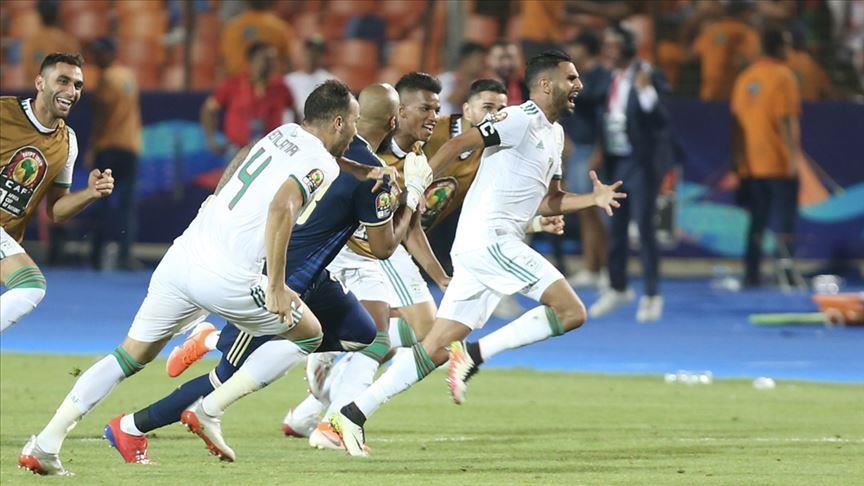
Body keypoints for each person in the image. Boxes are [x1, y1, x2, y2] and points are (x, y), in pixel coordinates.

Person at [18, 80, 392, 475]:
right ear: (338, 122)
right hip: (230, 277)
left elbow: (247, 154)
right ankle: (211, 405)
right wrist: (276, 286)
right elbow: (283, 206)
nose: (355, 131)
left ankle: (46, 443)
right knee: (310, 334)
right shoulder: (322, 162)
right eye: (353, 123)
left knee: (128, 356)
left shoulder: (284, 134)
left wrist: (218, 198)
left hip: (184, 256)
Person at [100, 83, 430, 464]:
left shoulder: (317, 146)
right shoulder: (373, 175)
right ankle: (132, 426)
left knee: (363, 334)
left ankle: (213, 342)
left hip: (313, 276)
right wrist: (412, 192)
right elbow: (384, 248)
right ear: (392, 122)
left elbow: (250, 158)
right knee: (226, 376)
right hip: (278, 278)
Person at [330, 51, 627, 456]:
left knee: (434, 348)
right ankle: (474, 353)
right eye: (571, 78)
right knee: (571, 311)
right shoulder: (518, 118)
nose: (579, 85)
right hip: (491, 240)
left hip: (486, 245)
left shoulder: (554, 134)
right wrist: (419, 181)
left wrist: (592, 198)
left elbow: (550, 200)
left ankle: (350, 415)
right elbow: (459, 142)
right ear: (545, 85)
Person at [278, 79, 565, 450]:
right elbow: (393, 209)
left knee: (409, 337)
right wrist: (412, 189)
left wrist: (533, 223)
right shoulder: (420, 138)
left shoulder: (482, 147)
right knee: (403, 335)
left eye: (501, 108)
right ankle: (333, 402)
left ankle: (313, 408)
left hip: (391, 238)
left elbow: (463, 208)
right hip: (370, 244)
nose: (496, 115)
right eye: (488, 108)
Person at [1, 52, 114, 334]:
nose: (71, 91)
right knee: (29, 286)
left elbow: (56, 210)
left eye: (77, 85)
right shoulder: (4, 113)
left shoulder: (67, 143)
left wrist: (90, 193)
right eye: (62, 81)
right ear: (40, 83)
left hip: (7, 236)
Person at [589, 26, 670, 322]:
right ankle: (617, 287)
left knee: (644, 229)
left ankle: (652, 295)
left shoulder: (648, 74)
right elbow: (605, 115)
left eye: (613, 45)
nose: (608, 51)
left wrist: (646, 90)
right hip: (616, 162)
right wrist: (600, 150)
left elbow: (660, 118)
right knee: (616, 228)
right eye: (606, 45)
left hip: (642, 162)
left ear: (628, 47)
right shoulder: (609, 77)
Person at [731, 28, 803, 287]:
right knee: (784, 221)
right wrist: (793, 159)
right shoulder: (784, 76)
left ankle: (751, 273)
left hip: (751, 165)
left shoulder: (745, 77)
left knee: (756, 221)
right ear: (780, 47)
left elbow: (736, 124)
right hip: (778, 162)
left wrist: (738, 160)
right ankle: (785, 271)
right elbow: (785, 119)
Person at [86, 37, 143, 270]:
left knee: (101, 201)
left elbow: (101, 115)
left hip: (109, 147)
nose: (96, 58)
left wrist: (92, 147)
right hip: (130, 147)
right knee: (126, 205)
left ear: (109, 54)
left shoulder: (106, 79)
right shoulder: (128, 75)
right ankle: (124, 255)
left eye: (100, 53)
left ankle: (96, 256)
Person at [562, 31, 611, 289]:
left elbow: (606, 117)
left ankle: (608, 269)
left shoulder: (602, 77)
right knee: (584, 210)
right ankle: (591, 268)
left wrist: (599, 151)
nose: (571, 50)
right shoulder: (574, 77)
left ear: (586, 48)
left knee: (601, 211)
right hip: (577, 148)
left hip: (593, 149)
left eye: (575, 45)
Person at [201, 42, 295, 159]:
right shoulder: (233, 83)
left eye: (274, 60)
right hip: (237, 151)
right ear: (252, 61)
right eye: (266, 59)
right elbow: (208, 109)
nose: (271, 64)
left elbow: (295, 112)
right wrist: (211, 139)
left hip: (271, 152)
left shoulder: (282, 87)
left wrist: (294, 139)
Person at [691, 2, 760, 101]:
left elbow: (693, 55)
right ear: (744, 13)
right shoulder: (744, 31)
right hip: (731, 92)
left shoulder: (710, 30)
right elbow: (750, 59)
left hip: (708, 90)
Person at [221, 0, 295, 76]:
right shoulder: (279, 27)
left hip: (237, 80)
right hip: (268, 81)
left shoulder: (232, 26)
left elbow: (222, 61)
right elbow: (290, 63)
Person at [20, 0, 81, 82]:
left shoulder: (30, 42)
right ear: (58, 14)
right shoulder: (69, 42)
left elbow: (29, 70)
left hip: (37, 87)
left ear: (39, 15)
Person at [284, 36, 335, 120]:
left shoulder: (331, 82)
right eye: (309, 51)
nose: (312, 55)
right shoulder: (288, 80)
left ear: (322, 56)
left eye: (316, 52)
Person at [437, 42, 489, 115]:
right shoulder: (446, 79)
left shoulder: (478, 84)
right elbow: (454, 100)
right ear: (465, 60)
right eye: (479, 60)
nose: (483, 65)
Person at [786, 31, 832, 101]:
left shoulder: (781, 61)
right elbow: (826, 92)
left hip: (787, 105)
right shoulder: (814, 63)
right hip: (810, 105)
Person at [487, 39, 528, 105]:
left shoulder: (529, 88)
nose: (506, 63)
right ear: (488, 59)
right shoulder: (476, 89)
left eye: (510, 57)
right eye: (501, 58)